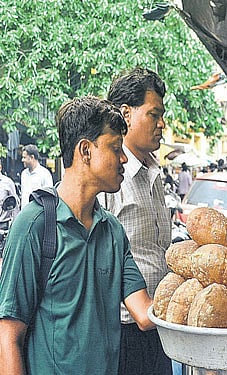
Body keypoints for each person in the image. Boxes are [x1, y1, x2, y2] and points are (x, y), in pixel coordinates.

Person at [0, 96, 155, 374]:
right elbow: (8, 337)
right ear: (85, 150)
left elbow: (144, 313)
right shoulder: (33, 226)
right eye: (115, 147)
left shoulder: (113, 231)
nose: (123, 158)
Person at [100, 67, 173, 375]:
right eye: (153, 115)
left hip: (161, 327)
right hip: (123, 334)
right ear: (126, 114)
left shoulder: (155, 174)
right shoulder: (108, 178)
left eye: (162, 115)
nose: (162, 124)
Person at [20, 144, 53, 209]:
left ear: (32, 157)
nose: (22, 160)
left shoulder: (44, 174)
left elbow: (48, 198)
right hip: (25, 214)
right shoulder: (24, 174)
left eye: (24, 157)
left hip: (38, 214)